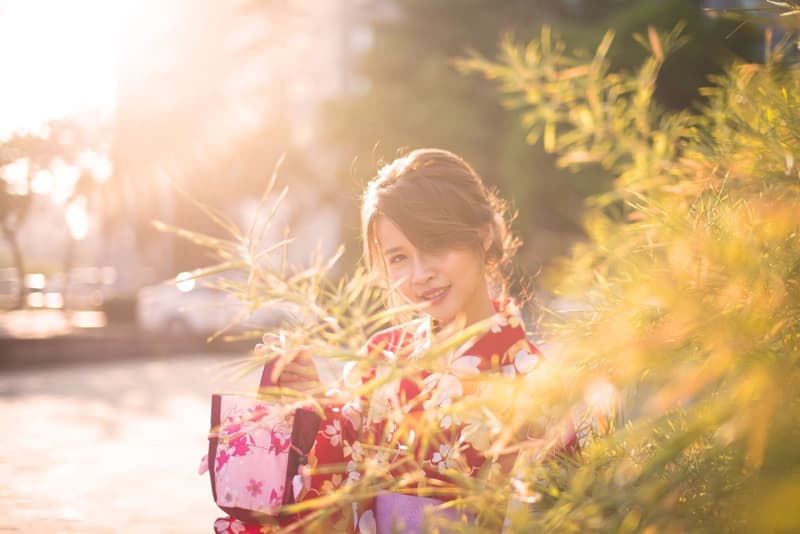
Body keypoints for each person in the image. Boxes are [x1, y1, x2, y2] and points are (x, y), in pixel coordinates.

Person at [213, 148, 576, 533]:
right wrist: (313, 402)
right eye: (399, 258)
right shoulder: (383, 355)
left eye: (435, 244)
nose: (420, 274)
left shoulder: (537, 386)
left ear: (483, 235)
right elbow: (334, 484)